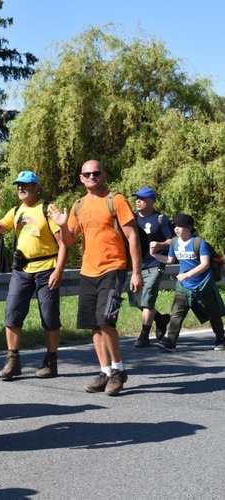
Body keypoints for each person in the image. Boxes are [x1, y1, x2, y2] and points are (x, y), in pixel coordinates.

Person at [51, 159, 142, 396]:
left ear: (104, 175)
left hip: (113, 268)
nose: (92, 177)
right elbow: (69, 241)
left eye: (96, 173)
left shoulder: (116, 200)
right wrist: (62, 225)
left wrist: (137, 272)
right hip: (87, 271)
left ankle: (118, 371)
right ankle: (104, 371)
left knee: (106, 320)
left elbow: (132, 237)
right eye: (87, 174)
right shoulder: (78, 205)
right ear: (81, 178)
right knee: (94, 324)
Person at [0, 170, 67, 380]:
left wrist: (58, 270)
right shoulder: (16, 211)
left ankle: (51, 361)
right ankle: (13, 360)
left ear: (36, 187)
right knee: (12, 314)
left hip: (46, 269)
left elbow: (63, 243)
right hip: (21, 271)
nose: (21, 188)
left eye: (26, 185)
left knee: (49, 318)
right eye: (18, 185)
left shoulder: (48, 208)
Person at [153, 214, 225, 352]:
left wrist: (186, 274)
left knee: (213, 313)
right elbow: (170, 260)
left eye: (180, 226)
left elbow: (205, 264)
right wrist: (154, 255)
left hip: (203, 284)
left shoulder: (198, 242)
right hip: (183, 286)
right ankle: (171, 342)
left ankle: (221, 339)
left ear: (189, 228)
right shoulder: (174, 242)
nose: (177, 229)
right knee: (176, 313)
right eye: (175, 226)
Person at [129, 187, 174, 347]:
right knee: (138, 301)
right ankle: (160, 319)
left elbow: (172, 241)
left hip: (156, 263)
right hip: (136, 265)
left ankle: (144, 336)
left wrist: (160, 244)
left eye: (142, 198)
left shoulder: (161, 219)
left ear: (151, 201)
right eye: (137, 198)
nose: (138, 201)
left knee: (147, 299)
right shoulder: (132, 218)